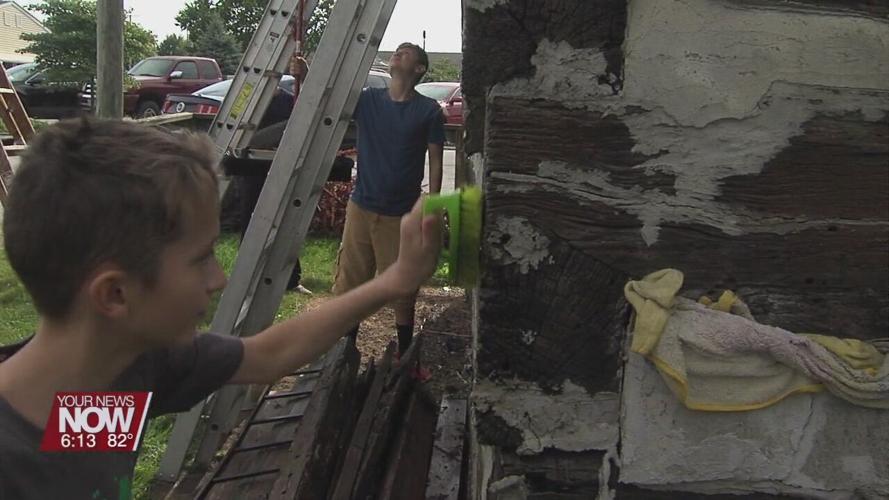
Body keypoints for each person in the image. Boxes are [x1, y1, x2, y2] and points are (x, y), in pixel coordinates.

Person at [0, 118, 440, 499]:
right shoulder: (14, 466)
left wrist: (395, 279)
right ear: (115, 294)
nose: (219, 278)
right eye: (201, 258)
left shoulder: (123, 374)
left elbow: (267, 355)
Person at [333, 42, 445, 355]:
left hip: (401, 214)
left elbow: (436, 161)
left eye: (406, 52)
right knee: (351, 280)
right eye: (397, 50)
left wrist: (431, 208)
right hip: (361, 206)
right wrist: (302, 74)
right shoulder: (368, 101)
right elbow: (325, 100)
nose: (398, 52)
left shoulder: (428, 111)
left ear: (419, 69)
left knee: (403, 286)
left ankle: (404, 353)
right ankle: (345, 349)